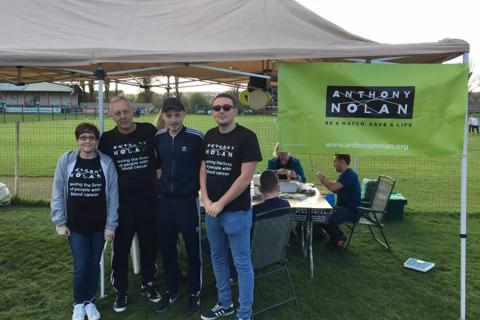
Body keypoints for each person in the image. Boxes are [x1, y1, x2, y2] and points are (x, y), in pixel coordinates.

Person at [200, 93, 262, 320]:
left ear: (235, 110)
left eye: (226, 107)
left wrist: (220, 203)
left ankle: (244, 314)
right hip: (212, 211)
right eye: (216, 108)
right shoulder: (209, 136)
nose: (221, 111)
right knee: (217, 258)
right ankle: (224, 303)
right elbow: (203, 169)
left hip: (236, 213)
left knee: (242, 263)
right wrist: (205, 199)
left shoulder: (247, 137)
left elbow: (246, 177)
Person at [98, 96, 160, 312]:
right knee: (121, 250)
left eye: (125, 111)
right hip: (122, 206)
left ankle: (148, 284)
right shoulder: (106, 139)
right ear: (111, 116)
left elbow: (160, 161)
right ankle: (121, 291)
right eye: (117, 113)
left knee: (149, 246)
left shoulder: (148, 131)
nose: (122, 116)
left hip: (148, 203)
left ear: (132, 111)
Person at [51, 122, 119, 320]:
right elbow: (57, 191)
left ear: (97, 141)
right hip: (76, 226)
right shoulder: (66, 160)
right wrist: (59, 222)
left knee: (94, 265)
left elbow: (114, 195)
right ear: (77, 140)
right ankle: (78, 303)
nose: (87, 141)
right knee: (81, 266)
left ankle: (90, 301)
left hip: (99, 226)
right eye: (83, 137)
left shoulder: (106, 163)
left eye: (91, 137)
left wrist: (110, 225)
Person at [153, 97, 204, 315]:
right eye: (169, 115)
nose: (173, 120)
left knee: (193, 252)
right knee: (167, 251)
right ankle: (172, 291)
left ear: (184, 114)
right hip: (165, 204)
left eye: (177, 115)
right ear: (163, 116)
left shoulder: (196, 138)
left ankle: (194, 293)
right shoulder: (158, 138)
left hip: (188, 203)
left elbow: (204, 169)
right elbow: (158, 167)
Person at [315, 154, 361, 248]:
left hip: (352, 210)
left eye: (335, 161)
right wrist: (325, 182)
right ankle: (321, 234)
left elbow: (333, 187)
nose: (333, 164)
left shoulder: (350, 175)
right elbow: (335, 189)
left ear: (342, 162)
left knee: (328, 218)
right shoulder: (345, 174)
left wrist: (322, 178)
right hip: (343, 207)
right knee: (319, 213)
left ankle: (340, 237)